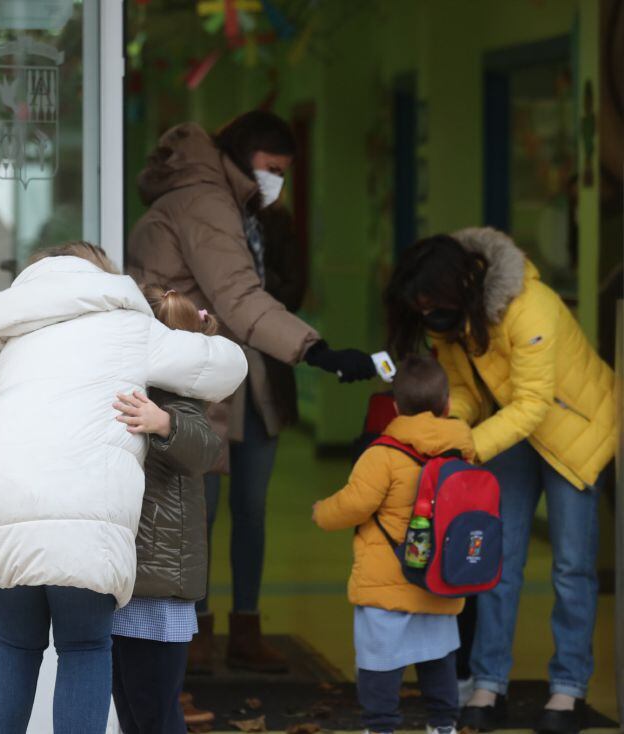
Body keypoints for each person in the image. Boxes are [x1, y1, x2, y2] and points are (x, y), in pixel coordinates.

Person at [0, 242, 247, 734]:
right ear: (102, 276)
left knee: (13, 644)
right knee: (84, 647)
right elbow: (226, 367)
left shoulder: (19, 336)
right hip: (81, 508)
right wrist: (196, 320)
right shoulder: (126, 324)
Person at [128, 109, 377, 672]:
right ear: (242, 157)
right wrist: (317, 350)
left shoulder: (236, 205)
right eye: (271, 167)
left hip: (246, 377)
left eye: (285, 171)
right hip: (199, 381)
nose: (277, 181)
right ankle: (191, 637)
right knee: (197, 514)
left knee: (249, 512)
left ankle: (239, 630)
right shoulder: (204, 202)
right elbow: (238, 296)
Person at [386, 228, 618, 734]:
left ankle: (569, 689)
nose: (428, 317)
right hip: (512, 429)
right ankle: (489, 684)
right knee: (492, 560)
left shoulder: (530, 306)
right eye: (420, 309)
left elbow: (534, 402)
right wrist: (447, 425)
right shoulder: (450, 318)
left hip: (575, 431)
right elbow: (469, 393)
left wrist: (468, 445)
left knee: (573, 568)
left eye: (432, 305)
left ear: (461, 284)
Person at [312, 354, 473, 734]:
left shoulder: (382, 455)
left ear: (396, 406)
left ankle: (381, 726)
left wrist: (321, 512)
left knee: (380, 665)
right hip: (439, 582)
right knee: (438, 660)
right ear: (447, 405)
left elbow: (353, 504)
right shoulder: (462, 450)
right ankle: (443, 724)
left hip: (387, 583)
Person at [109, 287, 225, 733]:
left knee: (156, 713)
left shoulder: (182, 399)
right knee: (134, 712)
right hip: (134, 580)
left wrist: (165, 423)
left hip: (159, 590)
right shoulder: (139, 388)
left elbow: (205, 448)